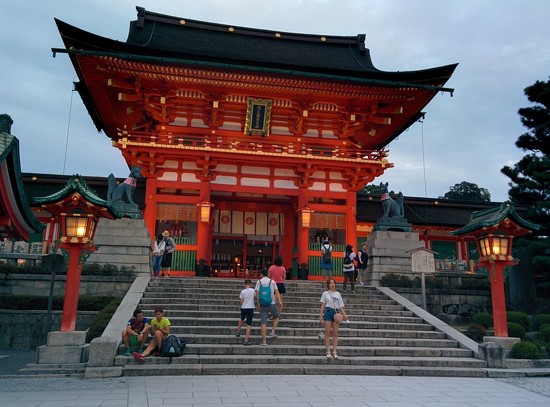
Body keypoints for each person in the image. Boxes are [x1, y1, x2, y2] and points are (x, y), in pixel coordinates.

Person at [320, 277, 348, 359]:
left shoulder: (338, 294)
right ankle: (328, 351)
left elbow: (340, 306)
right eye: (331, 283)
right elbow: (323, 305)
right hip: (328, 312)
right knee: (327, 332)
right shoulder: (325, 293)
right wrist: (321, 315)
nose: (333, 284)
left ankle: (334, 351)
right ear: (328, 284)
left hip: (336, 313)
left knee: (335, 333)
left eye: (334, 283)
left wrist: (344, 315)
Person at [255, 268, 282, 346]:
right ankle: (272, 331)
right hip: (272, 303)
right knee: (276, 316)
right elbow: (277, 292)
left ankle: (264, 341)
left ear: (261, 274)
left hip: (262, 305)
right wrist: (279, 302)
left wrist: (258, 304)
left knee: (263, 323)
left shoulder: (258, 282)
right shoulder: (272, 282)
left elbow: (257, 293)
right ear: (268, 274)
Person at [235, 279, 255, 346]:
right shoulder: (253, 291)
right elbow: (255, 297)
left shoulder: (242, 291)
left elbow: (241, 301)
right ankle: (246, 340)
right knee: (249, 324)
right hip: (250, 308)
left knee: (241, 318)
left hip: (243, 307)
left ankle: (238, 331)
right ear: (251, 284)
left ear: (244, 284)